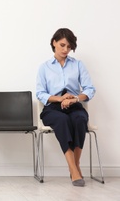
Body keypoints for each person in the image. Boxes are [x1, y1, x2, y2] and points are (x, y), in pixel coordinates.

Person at [36, 28, 96, 187]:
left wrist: (74, 98)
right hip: (52, 108)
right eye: (62, 45)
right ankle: (74, 169)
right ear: (54, 42)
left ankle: (74, 167)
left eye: (69, 47)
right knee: (62, 120)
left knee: (79, 120)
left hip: (74, 104)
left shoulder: (78, 65)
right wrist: (60, 98)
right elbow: (40, 93)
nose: (65, 50)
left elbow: (90, 89)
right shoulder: (44, 67)